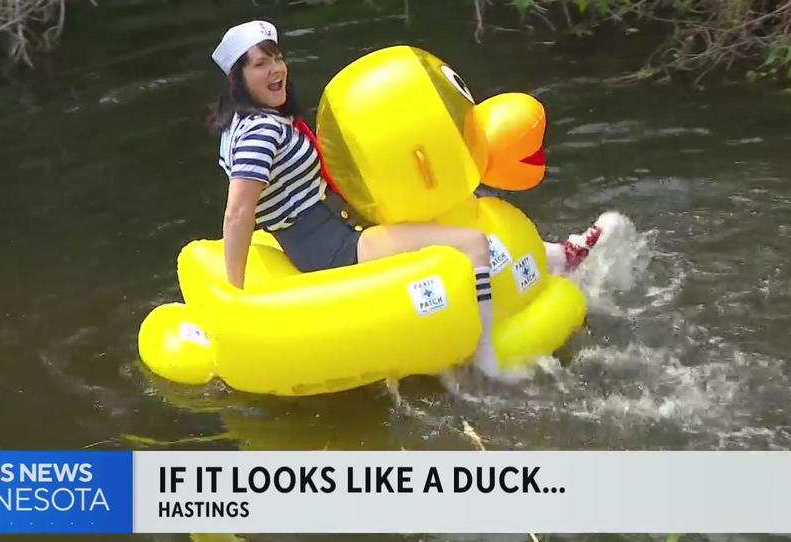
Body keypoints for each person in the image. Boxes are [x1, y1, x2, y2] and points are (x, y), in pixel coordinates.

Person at [208, 20, 598, 379]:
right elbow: (238, 213)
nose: (276, 70)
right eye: (260, 65)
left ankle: (557, 256)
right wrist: (235, 293)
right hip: (334, 246)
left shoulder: (256, 121)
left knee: (441, 208)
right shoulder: (260, 133)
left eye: (276, 59)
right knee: (473, 243)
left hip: (338, 223)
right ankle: (487, 362)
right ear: (237, 78)